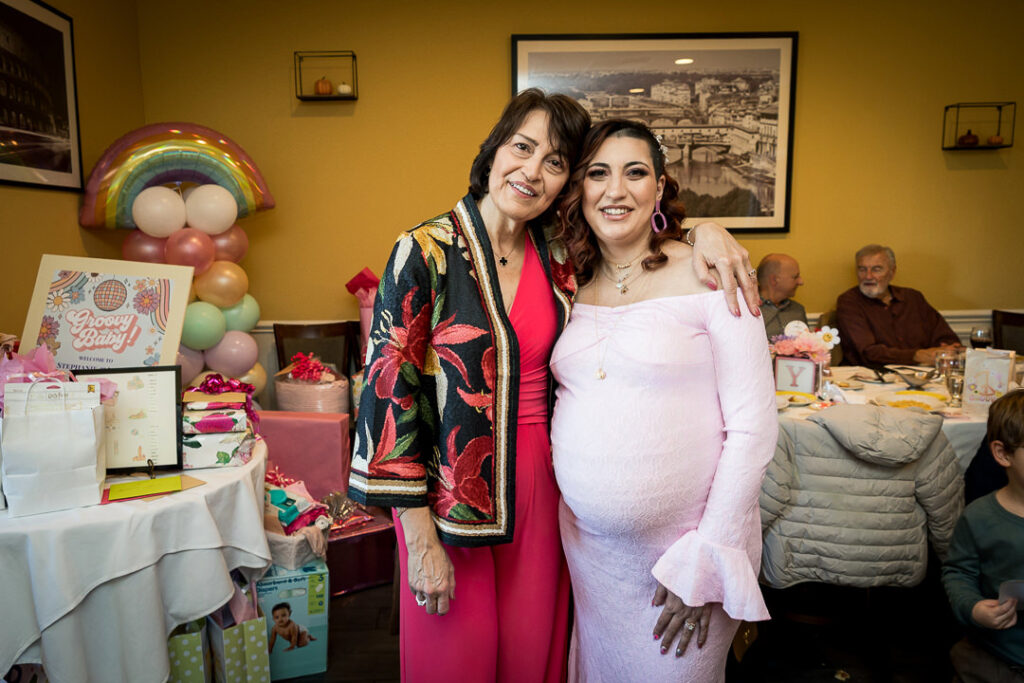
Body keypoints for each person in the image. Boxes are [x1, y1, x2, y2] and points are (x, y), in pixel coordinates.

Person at [348, 90, 761, 683]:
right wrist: (417, 541)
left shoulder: (561, 253)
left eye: (555, 161)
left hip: (545, 497)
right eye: (522, 148)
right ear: (493, 151)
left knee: (531, 660)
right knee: (455, 664)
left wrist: (706, 232)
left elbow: (636, 239)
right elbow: (389, 398)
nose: (532, 171)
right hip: (451, 499)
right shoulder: (424, 251)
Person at [550, 119, 777, 682]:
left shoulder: (713, 276)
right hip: (593, 560)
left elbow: (753, 430)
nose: (615, 190)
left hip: (686, 558)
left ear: (659, 187)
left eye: (635, 173)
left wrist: (706, 560)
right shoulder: (567, 283)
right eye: (597, 174)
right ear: (579, 189)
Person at [943, 389, 1024, 683]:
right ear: (1003, 454)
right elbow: (958, 573)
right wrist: (974, 608)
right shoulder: (980, 516)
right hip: (996, 654)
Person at [836, 244, 961, 366]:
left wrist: (949, 350)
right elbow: (869, 353)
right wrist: (917, 355)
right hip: (873, 375)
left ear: (892, 272)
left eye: (876, 269)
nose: (868, 276)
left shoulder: (913, 298)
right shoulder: (849, 302)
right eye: (862, 269)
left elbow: (946, 337)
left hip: (924, 373)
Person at [757, 252, 806, 339]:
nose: (801, 282)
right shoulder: (747, 310)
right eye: (795, 277)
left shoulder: (798, 310)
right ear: (774, 280)